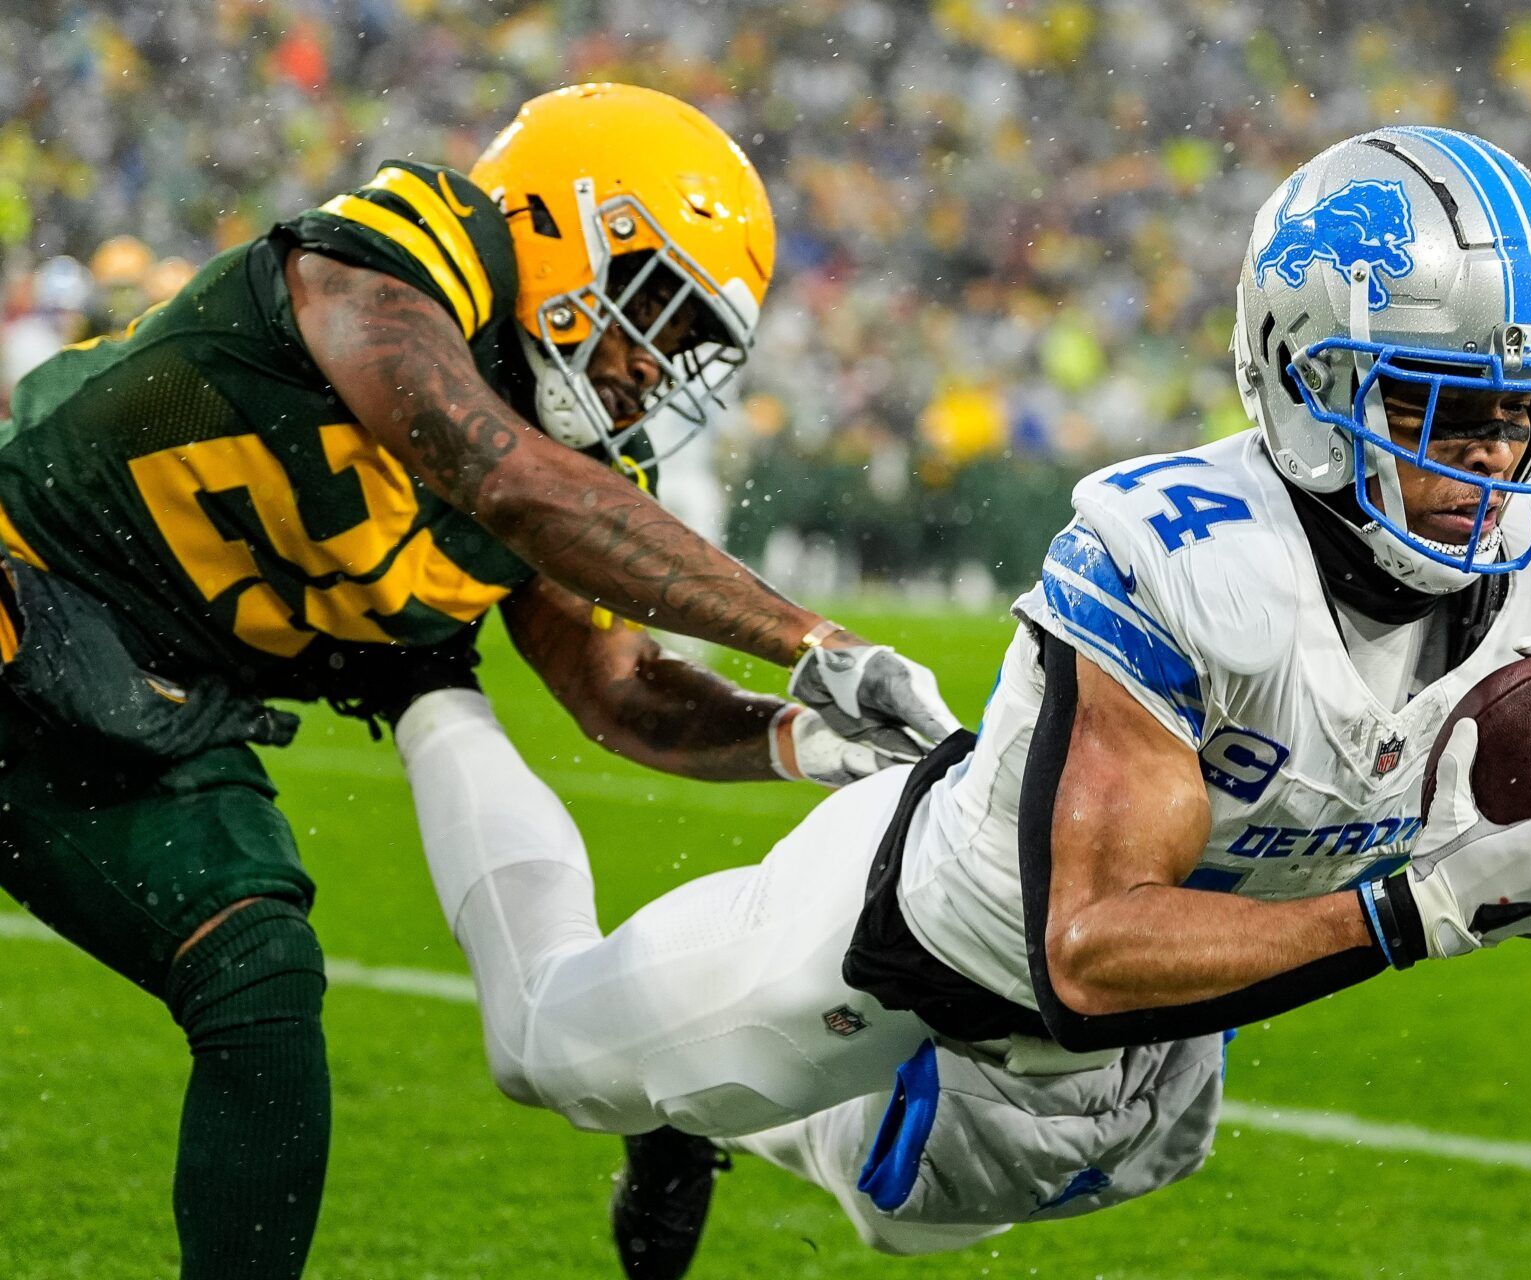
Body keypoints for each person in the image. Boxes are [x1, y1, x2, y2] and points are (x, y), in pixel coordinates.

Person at [391, 127, 1531, 1278]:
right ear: (1304, 375)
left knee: (908, 1213)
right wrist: (1422, 908)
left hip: (1143, 1023)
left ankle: (722, 1119)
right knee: (547, 1048)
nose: (1489, 461)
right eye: (1439, 406)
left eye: (1521, 416)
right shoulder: (1193, 553)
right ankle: (426, 693)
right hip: (919, 928)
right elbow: (1082, 955)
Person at [0, 83, 958, 1280]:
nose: (652, 365)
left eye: (691, 340)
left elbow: (618, 690)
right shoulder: (415, 249)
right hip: (22, 574)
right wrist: (810, 640)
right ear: (561, 228)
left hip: (155, 701)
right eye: (655, 304)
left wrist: (802, 735)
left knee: (261, 982)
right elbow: (499, 476)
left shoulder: (580, 453)